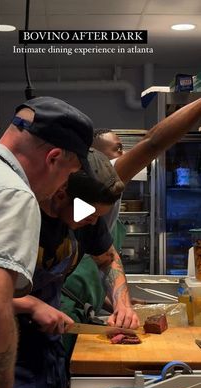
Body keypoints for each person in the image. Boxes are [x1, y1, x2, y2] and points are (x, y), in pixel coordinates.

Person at [0, 95, 94, 388]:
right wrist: (0, 387)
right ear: (53, 158)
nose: (62, 186)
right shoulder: (13, 194)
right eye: (70, 174)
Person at [0, 148, 139, 388]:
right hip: (1, 356)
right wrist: (29, 304)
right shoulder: (16, 214)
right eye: (90, 215)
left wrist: (122, 303)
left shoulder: (87, 214)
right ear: (61, 194)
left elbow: (107, 259)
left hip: (48, 351)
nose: (94, 222)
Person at [61, 97, 201, 338]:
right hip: (59, 315)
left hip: (77, 309)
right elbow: (152, 143)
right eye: (117, 150)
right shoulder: (101, 175)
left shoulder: (96, 212)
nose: (124, 154)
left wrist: (121, 303)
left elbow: (105, 258)